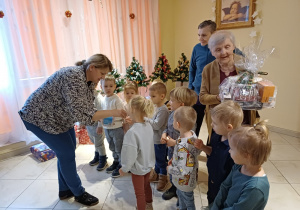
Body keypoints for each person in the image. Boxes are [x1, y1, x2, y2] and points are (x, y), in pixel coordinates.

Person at [18, 54, 126, 206]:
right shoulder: (73, 77)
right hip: (39, 118)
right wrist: (114, 112)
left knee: (67, 152)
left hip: (59, 119)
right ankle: (79, 193)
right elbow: (85, 115)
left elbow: (89, 108)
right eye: (101, 74)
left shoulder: (87, 80)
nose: (102, 78)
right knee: (66, 153)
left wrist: (106, 116)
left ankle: (64, 190)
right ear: (92, 67)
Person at [199, 30, 259, 140]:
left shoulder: (245, 65)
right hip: (218, 124)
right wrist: (219, 97)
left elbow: (255, 91)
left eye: (227, 47)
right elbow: (202, 98)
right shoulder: (208, 69)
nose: (223, 52)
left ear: (233, 46)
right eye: (218, 49)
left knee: (241, 153)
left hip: (243, 119)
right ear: (212, 52)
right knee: (219, 154)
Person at [211, 121, 271, 209]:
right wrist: (215, 206)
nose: (229, 151)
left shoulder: (255, 188)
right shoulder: (239, 166)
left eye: (231, 149)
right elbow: (225, 187)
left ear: (246, 155)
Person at [194, 100, 243, 206]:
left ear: (229, 127)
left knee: (219, 203)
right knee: (211, 199)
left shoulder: (235, 149)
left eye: (215, 123)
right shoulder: (217, 135)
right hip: (212, 179)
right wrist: (203, 147)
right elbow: (213, 152)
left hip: (224, 187)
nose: (211, 125)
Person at [160, 86, 198, 200]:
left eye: (172, 100)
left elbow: (189, 142)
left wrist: (175, 143)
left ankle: (180, 191)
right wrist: (164, 134)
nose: (169, 102)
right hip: (173, 151)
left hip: (182, 154)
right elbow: (167, 127)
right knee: (173, 169)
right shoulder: (173, 113)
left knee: (180, 171)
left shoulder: (189, 120)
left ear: (181, 104)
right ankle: (174, 186)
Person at [119, 95, 155, 210]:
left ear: (133, 110)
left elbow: (130, 155)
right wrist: (132, 124)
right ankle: (149, 204)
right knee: (146, 186)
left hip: (138, 168)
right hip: (148, 164)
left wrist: (124, 168)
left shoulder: (132, 133)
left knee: (139, 194)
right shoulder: (148, 125)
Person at [163, 106, 200, 210]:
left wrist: (170, 169)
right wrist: (174, 160)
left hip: (184, 182)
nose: (173, 121)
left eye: (174, 119)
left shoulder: (184, 148)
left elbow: (182, 171)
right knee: (181, 197)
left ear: (177, 124)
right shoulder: (191, 135)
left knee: (188, 201)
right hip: (185, 181)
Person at [188, 20, 216, 137]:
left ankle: (212, 153)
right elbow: (192, 69)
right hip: (197, 93)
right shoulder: (196, 48)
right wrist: (190, 88)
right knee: (194, 124)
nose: (200, 38)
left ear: (213, 34)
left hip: (213, 95)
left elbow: (240, 58)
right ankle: (191, 150)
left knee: (215, 125)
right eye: (199, 35)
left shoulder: (220, 48)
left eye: (204, 35)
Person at [146, 82, 171, 192]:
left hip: (160, 140)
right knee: (156, 157)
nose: (150, 99)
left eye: (153, 96)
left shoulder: (163, 110)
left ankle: (163, 176)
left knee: (161, 159)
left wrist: (145, 119)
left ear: (162, 96)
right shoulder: (156, 107)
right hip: (154, 139)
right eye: (150, 96)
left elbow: (156, 125)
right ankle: (156, 173)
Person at [100, 75, 125, 178]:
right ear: (101, 87)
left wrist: (110, 118)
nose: (108, 88)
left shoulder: (116, 99)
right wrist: (100, 125)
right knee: (112, 146)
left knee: (119, 147)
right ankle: (115, 161)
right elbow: (100, 114)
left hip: (117, 128)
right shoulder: (103, 99)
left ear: (115, 86)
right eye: (105, 86)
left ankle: (121, 164)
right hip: (107, 128)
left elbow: (121, 113)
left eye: (111, 86)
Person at [85, 83, 107, 171]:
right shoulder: (86, 97)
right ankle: (97, 155)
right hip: (89, 124)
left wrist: (100, 125)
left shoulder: (98, 98)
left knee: (99, 143)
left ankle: (103, 159)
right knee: (94, 141)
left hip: (97, 125)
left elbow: (101, 113)